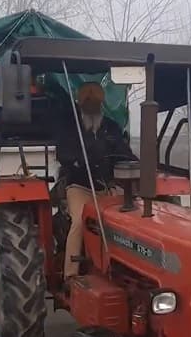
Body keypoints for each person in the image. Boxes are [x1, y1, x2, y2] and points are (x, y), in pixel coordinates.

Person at [57, 82, 137, 280]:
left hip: (107, 187)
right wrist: (80, 159)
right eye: (87, 103)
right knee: (78, 222)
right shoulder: (70, 127)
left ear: (101, 104)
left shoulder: (112, 128)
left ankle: (124, 268)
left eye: (95, 104)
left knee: (130, 220)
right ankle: (71, 275)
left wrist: (136, 164)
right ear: (80, 103)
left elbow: (124, 154)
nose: (91, 107)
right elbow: (63, 154)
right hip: (79, 186)